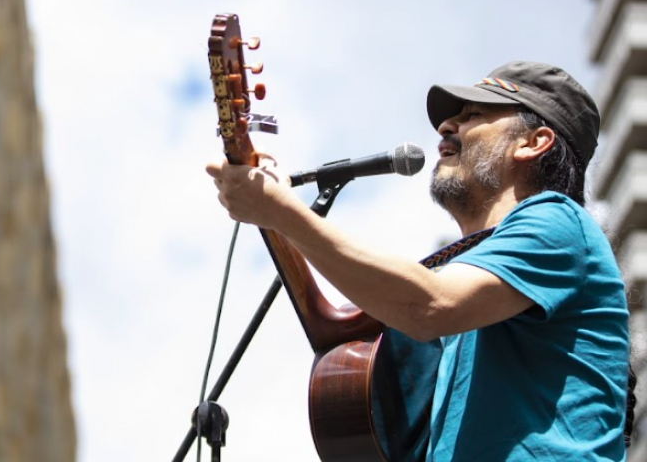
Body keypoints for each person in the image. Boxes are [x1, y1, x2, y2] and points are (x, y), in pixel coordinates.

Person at [206, 61, 633, 461]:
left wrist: (281, 212)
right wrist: (275, 216)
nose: (447, 125)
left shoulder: (556, 220)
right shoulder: (475, 282)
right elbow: (337, 332)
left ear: (533, 142)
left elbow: (426, 306)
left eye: (474, 115)